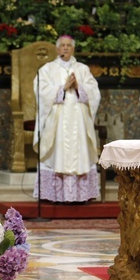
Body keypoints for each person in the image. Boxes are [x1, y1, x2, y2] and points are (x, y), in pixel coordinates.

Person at [32, 35, 101, 203]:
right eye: (62, 45)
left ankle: (81, 196)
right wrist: (63, 88)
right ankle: (53, 195)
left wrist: (79, 87)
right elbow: (40, 91)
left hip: (78, 118)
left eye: (68, 45)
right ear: (57, 49)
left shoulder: (82, 69)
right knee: (57, 153)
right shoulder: (47, 69)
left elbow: (94, 92)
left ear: (73, 49)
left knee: (80, 151)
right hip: (57, 120)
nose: (65, 48)